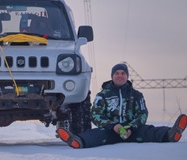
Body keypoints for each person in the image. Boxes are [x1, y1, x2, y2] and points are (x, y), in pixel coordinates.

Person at [57, 63, 187, 148]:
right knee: (95, 135)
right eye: (117, 73)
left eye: (123, 73)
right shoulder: (102, 95)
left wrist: (131, 127)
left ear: (127, 76)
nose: (120, 76)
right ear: (112, 76)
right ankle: (77, 141)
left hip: (133, 131)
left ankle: (171, 134)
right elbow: (95, 115)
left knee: (150, 131)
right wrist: (113, 126)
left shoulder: (136, 95)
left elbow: (142, 114)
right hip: (110, 131)